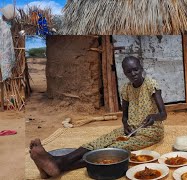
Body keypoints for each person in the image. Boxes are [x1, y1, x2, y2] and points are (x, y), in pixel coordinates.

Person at [29, 56, 167, 178]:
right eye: (128, 71)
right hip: (130, 129)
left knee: (116, 147)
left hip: (150, 130)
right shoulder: (126, 89)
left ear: (141, 68)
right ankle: (57, 162)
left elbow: (163, 114)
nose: (133, 74)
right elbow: (124, 117)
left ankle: (58, 164)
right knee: (100, 141)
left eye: (136, 69)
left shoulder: (151, 85)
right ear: (124, 73)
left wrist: (153, 117)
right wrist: (125, 125)